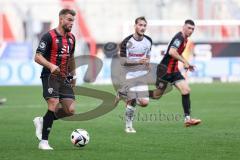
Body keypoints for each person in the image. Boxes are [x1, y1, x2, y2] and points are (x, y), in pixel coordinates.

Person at [33, 9, 77, 150]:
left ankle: (43, 120)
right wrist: (51, 66)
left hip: (64, 77)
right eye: (69, 20)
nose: (72, 23)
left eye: (73, 21)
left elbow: (71, 58)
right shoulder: (49, 36)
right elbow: (37, 57)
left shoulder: (72, 38)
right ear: (61, 19)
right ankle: (43, 142)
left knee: (70, 110)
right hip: (49, 76)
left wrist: (74, 75)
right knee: (53, 102)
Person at [149, 19, 201, 127]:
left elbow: (177, 53)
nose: (191, 31)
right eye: (189, 28)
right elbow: (171, 52)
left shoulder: (186, 39)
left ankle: (187, 119)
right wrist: (185, 61)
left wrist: (187, 63)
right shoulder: (180, 37)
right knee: (156, 95)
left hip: (174, 71)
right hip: (164, 71)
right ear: (183, 27)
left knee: (186, 90)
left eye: (192, 29)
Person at [115, 17, 152, 133]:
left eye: (144, 25)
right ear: (135, 26)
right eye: (140, 25)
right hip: (129, 75)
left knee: (145, 103)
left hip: (141, 76)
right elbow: (122, 61)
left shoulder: (148, 41)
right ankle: (128, 126)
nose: (142, 28)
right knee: (132, 99)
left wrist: (147, 65)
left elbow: (147, 57)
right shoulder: (126, 42)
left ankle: (122, 94)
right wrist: (138, 62)